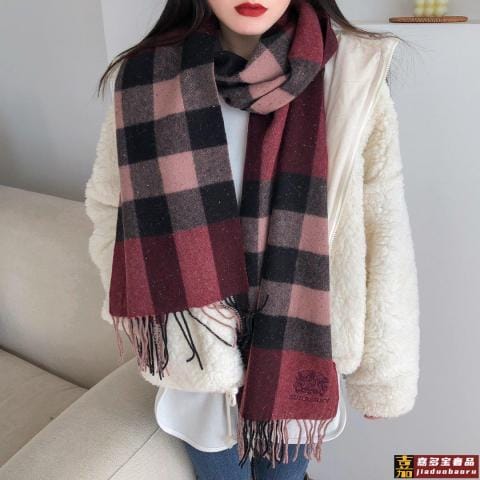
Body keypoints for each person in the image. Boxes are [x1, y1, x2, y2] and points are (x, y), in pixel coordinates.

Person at [85, 1, 420, 479]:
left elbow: (383, 229)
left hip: (298, 343)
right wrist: (155, 311)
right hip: (200, 355)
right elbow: (109, 208)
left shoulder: (350, 73)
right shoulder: (148, 77)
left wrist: (384, 377)